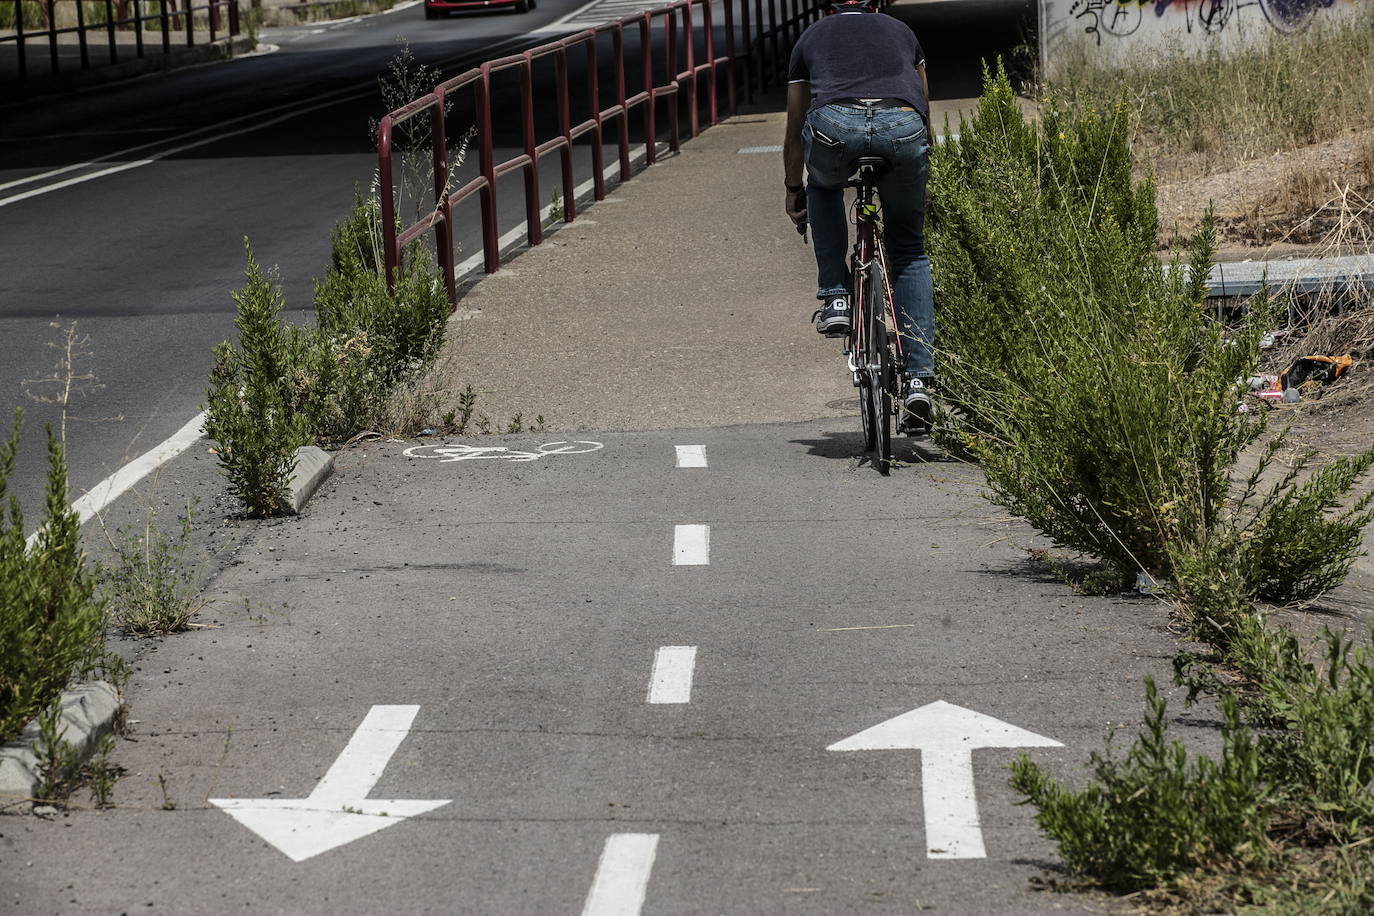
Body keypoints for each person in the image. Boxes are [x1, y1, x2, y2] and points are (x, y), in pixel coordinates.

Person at [782, 0, 935, 427]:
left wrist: (794, 188)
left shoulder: (810, 37)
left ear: (829, 7)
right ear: (874, 5)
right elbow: (923, 103)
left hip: (836, 128)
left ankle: (835, 297)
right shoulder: (902, 30)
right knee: (908, 250)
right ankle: (920, 382)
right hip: (902, 127)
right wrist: (921, 168)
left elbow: (796, 125)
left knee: (823, 186)